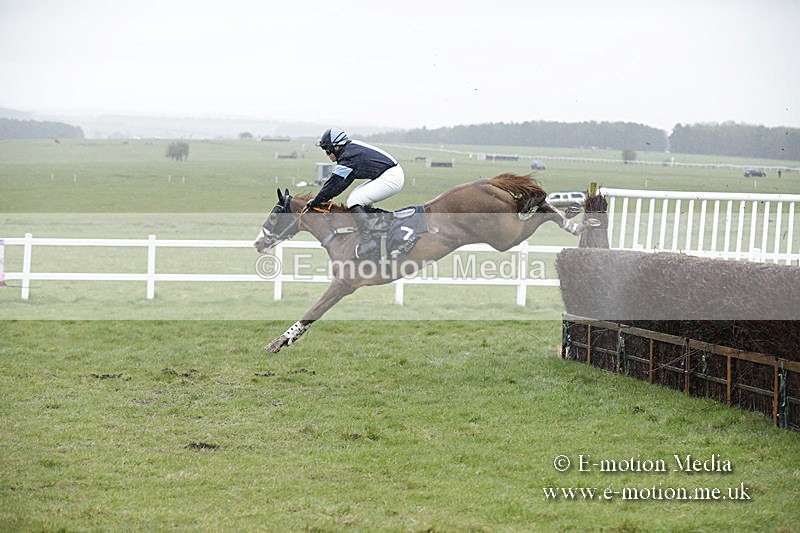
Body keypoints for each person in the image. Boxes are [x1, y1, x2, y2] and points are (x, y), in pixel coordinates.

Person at [305, 128, 405, 259]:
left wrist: (316, 201)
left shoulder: (348, 156)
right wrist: (321, 199)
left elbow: (334, 183)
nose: (327, 154)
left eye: (328, 150)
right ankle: (377, 229)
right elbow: (341, 184)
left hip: (391, 177)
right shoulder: (349, 151)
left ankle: (367, 242)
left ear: (336, 147)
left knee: (354, 200)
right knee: (357, 197)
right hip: (387, 174)